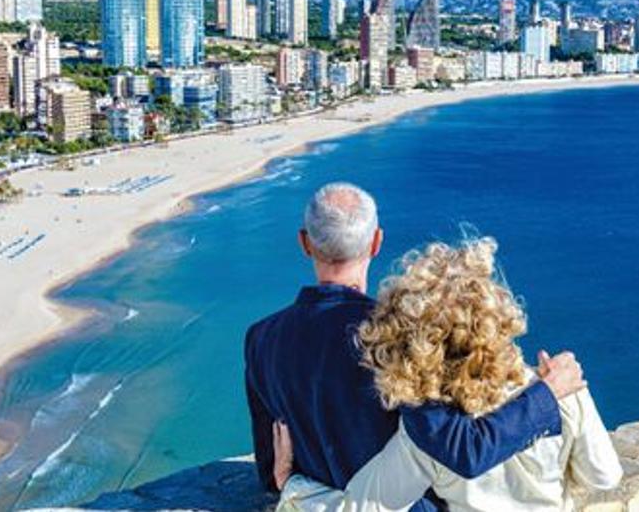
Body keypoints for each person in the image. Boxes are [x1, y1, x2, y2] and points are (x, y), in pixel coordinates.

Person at [245, 183, 589, 511]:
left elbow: (270, 469)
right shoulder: (396, 337)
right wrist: (546, 394)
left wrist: (289, 482)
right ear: (377, 242)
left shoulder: (260, 339)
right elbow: (461, 447)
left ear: (305, 243)